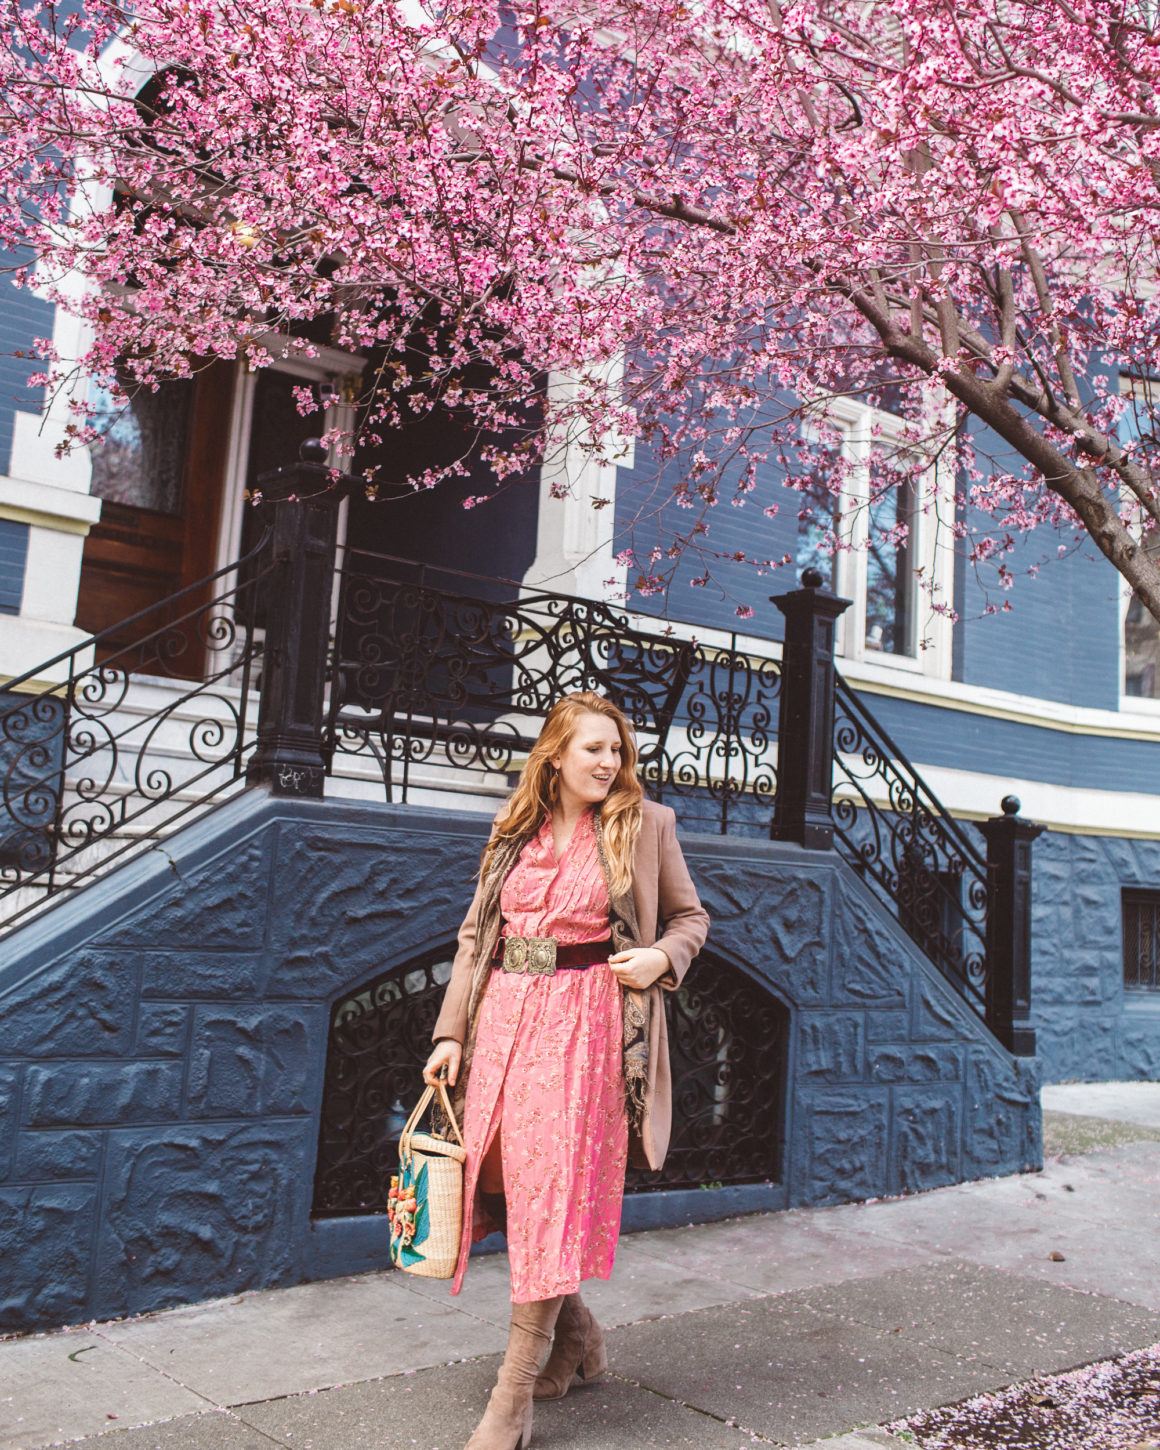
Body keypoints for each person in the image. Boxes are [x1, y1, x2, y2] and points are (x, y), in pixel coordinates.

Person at [423, 689, 710, 1450]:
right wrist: (451, 1034)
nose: (610, 763)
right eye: (594, 749)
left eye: (617, 750)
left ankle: (509, 1399)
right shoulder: (513, 830)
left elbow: (691, 918)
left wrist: (660, 958)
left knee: (550, 1193)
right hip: (505, 1024)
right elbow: (475, 937)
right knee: (515, 1188)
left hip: (586, 1026)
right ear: (555, 756)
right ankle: (577, 1336)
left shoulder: (646, 826)